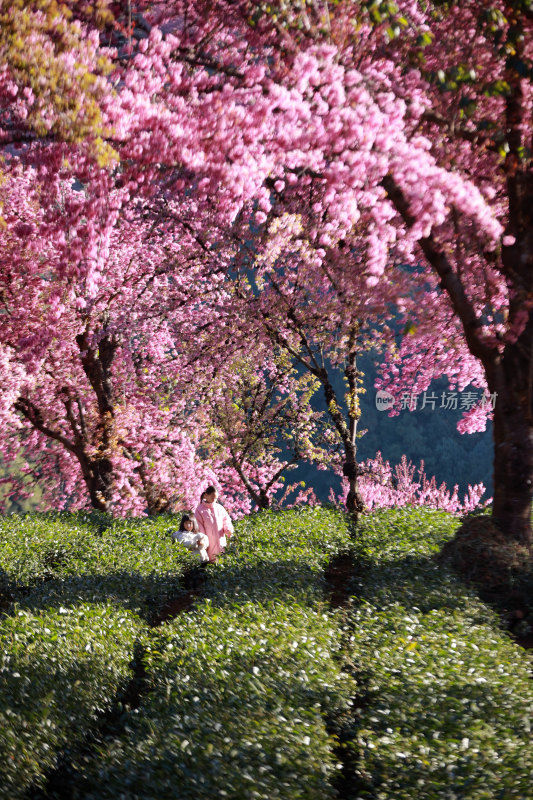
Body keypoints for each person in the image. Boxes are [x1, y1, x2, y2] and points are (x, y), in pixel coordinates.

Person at [195, 485, 234, 562]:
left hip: (221, 540)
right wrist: (203, 541)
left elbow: (226, 520)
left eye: (216, 498)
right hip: (209, 543)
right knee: (210, 562)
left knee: (222, 561)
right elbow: (199, 527)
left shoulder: (219, 508)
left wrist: (228, 529)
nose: (214, 500)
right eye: (212, 497)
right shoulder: (199, 510)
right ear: (206, 495)